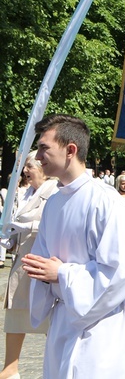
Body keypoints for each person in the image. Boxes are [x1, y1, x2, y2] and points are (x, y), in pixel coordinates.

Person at [21, 114, 125, 378]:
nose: (38, 156)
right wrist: (40, 272)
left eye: (44, 148)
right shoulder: (54, 203)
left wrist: (62, 275)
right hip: (64, 321)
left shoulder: (106, 202)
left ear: (70, 150)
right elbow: (45, 262)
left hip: (100, 326)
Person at [0, 152, 57, 379]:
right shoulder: (25, 193)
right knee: (15, 318)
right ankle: (9, 369)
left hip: (43, 265)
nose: (25, 171)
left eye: (29, 166)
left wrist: (28, 227)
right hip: (22, 264)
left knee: (51, 323)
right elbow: (16, 224)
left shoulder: (55, 190)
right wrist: (9, 238)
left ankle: (57, 370)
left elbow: (53, 222)